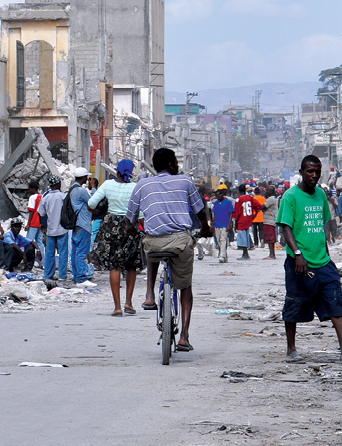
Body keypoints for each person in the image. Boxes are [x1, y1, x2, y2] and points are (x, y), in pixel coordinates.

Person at [277, 154, 342, 364]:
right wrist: (298, 254)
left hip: (323, 262)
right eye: (310, 171)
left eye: (317, 171)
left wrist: (326, 249)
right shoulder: (291, 197)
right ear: (301, 172)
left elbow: (325, 224)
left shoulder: (321, 196)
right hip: (299, 262)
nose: (314, 175)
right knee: (295, 304)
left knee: (335, 302)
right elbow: (286, 227)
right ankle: (291, 350)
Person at [125, 148, 212, 352]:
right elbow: (200, 211)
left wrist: (131, 229)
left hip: (154, 241)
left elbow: (130, 218)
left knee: (150, 245)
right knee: (186, 287)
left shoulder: (142, 184)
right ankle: (184, 336)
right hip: (180, 241)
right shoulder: (185, 181)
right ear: (172, 165)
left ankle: (149, 295)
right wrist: (206, 228)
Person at [88, 158, 141, 316]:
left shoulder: (108, 185)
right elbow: (142, 211)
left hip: (111, 226)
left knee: (115, 266)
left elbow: (91, 203)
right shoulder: (135, 187)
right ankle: (129, 303)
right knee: (131, 265)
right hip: (130, 225)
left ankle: (117, 307)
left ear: (116, 170)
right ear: (131, 172)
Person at [37, 176, 69, 281]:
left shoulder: (45, 197)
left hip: (50, 229)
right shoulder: (63, 196)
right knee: (63, 253)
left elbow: (41, 212)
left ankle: (48, 275)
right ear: (58, 184)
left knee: (50, 253)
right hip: (62, 229)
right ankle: (62, 275)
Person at [67, 167, 94, 284]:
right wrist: (93, 188)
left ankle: (76, 275)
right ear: (84, 177)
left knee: (75, 251)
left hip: (76, 225)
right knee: (81, 252)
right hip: (83, 225)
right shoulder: (81, 191)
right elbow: (93, 202)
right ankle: (81, 278)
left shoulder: (71, 189)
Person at [211, 185, 235, 262]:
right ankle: (225, 255)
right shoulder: (216, 203)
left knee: (223, 239)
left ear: (222, 195)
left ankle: (221, 256)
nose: (217, 197)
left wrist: (230, 224)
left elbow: (231, 213)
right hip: (217, 224)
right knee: (218, 241)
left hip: (225, 223)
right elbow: (214, 213)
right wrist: (212, 222)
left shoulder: (228, 202)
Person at [235, 185, 258, 260]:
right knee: (246, 235)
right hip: (248, 219)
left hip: (241, 220)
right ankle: (246, 252)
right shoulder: (250, 198)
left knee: (242, 237)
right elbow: (258, 207)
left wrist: (235, 223)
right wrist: (254, 216)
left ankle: (245, 253)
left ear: (238, 192)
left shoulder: (238, 200)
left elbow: (237, 213)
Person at [24, 180, 45, 262]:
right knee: (40, 241)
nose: (29, 191)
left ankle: (29, 259)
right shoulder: (42, 196)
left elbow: (31, 211)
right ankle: (41, 260)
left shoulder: (32, 197)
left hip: (33, 222)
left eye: (29, 189)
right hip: (41, 223)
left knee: (29, 241)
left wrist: (28, 224)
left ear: (33, 189)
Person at [261, 186, 280, 260]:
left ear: (270, 192)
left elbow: (263, 207)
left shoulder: (271, 199)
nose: (265, 191)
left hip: (270, 220)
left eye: (267, 190)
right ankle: (271, 254)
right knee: (269, 238)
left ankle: (272, 255)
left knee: (270, 238)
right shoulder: (273, 199)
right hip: (269, 220)